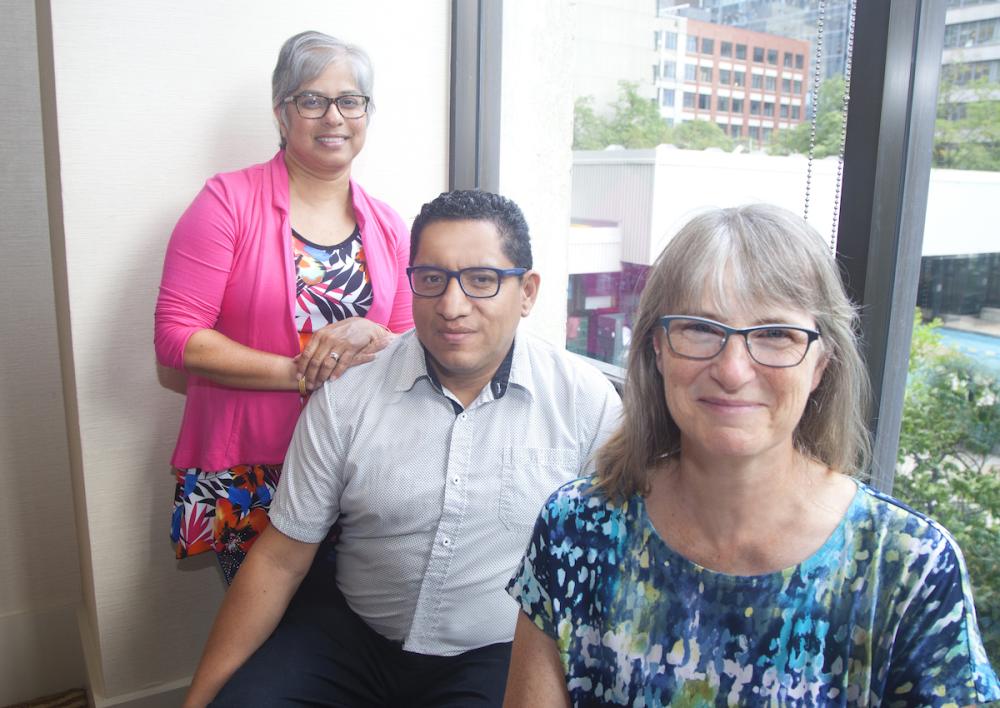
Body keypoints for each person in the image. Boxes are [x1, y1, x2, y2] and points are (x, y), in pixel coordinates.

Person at [505, 204, 1000, 706]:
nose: (733, 370)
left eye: (776, 334)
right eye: (701, 328)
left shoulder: (907, 569)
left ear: (821, 364)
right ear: (657, 349)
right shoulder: (576, 532)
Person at [182, 190, 622, 706]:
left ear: (526, 292)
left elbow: (611, 570)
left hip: (496, 652)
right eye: (432, 279)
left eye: (482, 280)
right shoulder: (349, 395)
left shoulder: (585, 403)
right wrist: (202, 699)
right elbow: (280, 560)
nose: (452, 307)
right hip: (348, 633)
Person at [154, 31, 413, 583]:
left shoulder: (389, 225)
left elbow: (410, 342)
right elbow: (177, 337)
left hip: (356, 463)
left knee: (351, 627)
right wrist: (302, 374)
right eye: (312, 100)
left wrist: (372, 333)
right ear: (281, 111)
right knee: (265, 630)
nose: (334, 117)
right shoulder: (226, 202)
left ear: (367, 113)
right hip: (254, 468)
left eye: (350, 101)